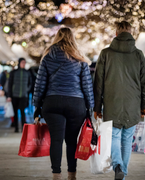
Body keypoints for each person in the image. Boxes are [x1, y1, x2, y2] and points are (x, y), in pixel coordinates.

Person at [33, 27, 94, 180]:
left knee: (56, 140)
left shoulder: (48, 57)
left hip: (52, 102)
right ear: (72, 38)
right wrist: (90, 107)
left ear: (57, 37)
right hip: (76, 103)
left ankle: (56, 175)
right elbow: (87, 86)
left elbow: (40, 84)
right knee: (72, 141)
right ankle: (72, 175)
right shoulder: (80, 59)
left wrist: (37, 106)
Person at [93, 21, 145, 180]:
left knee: (115, 137)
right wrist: (144, 105)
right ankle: (122, 174)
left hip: (112, 103)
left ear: (116, 34)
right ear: (131, 34)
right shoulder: (138, 54)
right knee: (127, 139)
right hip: (133, 104)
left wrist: (97, 107)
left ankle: (117, 165)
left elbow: (98, 83)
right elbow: (144, 82)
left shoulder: (105, 54)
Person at [7, 58, 32, 132]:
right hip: (15, 95)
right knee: (15, 112)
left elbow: (30, 83)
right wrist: (9, 95)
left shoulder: (27, 72)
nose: (23, 64)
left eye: (24, 62)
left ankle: (23, 127)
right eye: (22, 62)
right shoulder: (13, 72)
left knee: (22, 112)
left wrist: (27, 90)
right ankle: (16, 127)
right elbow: (10, 84)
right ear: (19, 63)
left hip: (24, 95)